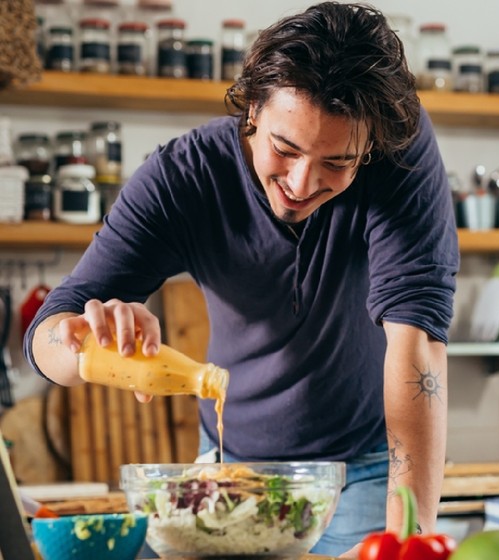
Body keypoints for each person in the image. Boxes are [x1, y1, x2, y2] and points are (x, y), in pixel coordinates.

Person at [23, 2, 459, 556]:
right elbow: (44, 338)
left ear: (369, 147)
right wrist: (84, 337)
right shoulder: (184, 177)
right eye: (285, 148)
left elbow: (417, 343)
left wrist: (407, 541)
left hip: (369, 470)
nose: (303, 182)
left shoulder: (399, 155)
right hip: (229, 471)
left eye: (338, 162)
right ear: (253, 108)